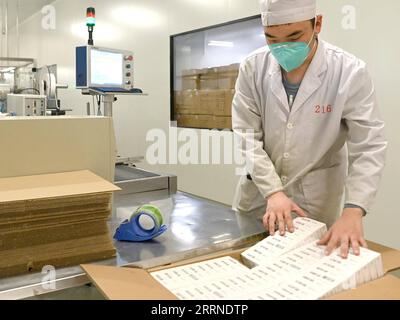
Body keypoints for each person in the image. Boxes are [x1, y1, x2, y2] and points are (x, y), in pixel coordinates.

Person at [232, 0, 387, 258]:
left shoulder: (349, 72)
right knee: (250, 263)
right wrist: (273, 190)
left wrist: (353, 210)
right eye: (272, 38)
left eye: (294, 35)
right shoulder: (252, 67)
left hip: (315, 198)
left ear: (318, 24)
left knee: (306, 269)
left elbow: (370, 145)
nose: (283, 47)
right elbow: (247, 135)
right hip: (259, 196)